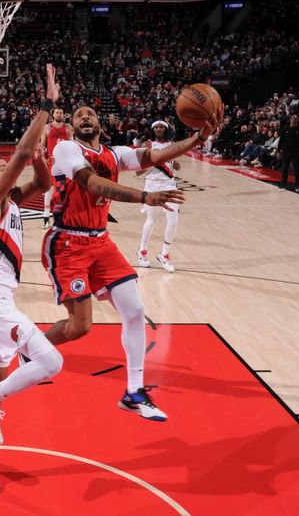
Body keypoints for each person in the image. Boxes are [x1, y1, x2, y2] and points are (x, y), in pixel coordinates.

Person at [41, 105, 220, 422]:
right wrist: (144, 197)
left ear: (99, 123)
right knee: (80, 326)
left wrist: (196, 139)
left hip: (100, 241)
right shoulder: (66, 148)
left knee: (135, 311)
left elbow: (151, 157)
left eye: (90, 114)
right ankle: (32, 347)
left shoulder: (114, 153)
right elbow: (92, 183)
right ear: (71, 124)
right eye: (79, 114)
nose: (85, 117)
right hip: (68, 243)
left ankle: (133, 392)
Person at [0, 65, 63, 494]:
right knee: (49, 362)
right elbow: (21, 156)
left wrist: (39, 154)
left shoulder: (14, 203)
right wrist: (46, 107)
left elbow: (41, 178)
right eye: (4, 170)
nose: (11, 173)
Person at [136, 120, 181, 273]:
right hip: (152, 186)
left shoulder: (172, 145)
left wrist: (174, 163)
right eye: (156, 127)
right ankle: (142, 251)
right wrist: (149, 165)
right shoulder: (147, 145)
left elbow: (177, 166)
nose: (159, 129)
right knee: (151, 220)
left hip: (169, 185)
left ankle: (164, 253)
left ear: (167, 129)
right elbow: (138, 171)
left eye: (161, 127)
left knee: (173, 221)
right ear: (152, 129)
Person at [40, 107, 73, 229]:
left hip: (65, 162)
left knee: (65, 189)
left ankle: (64, 216)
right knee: (49, 189)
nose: (59, 114)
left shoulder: (68, 128)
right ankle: (46, 217)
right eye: (57, 112)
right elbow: (42, 145)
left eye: (61, 112)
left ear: (63, 115)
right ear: (53, 114)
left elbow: (72, 144)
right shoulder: (47, 128)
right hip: (52, 161)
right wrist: (42, 159)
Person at [279, 115, 299, 192]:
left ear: (297, 121)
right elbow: (281, 140)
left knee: (297, 170)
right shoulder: (285, 129)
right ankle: (283, 184)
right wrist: (278, 150)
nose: (294, 120)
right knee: (284, 169)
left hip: (296, 152)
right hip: (285, 151)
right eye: (292, 119)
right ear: (290, 120)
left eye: (295, 119)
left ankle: (297, 186)